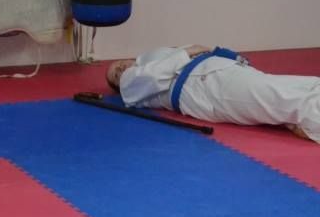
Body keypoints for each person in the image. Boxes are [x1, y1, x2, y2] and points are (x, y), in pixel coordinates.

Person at [106, 44, 320, 143]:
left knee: (280, 87)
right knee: (274, 97)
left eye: (120, 65)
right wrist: (185, 53)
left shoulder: (151, 57)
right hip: (203, 88)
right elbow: (152, 77)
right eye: (115, 74)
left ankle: (303, 121)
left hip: (217, 71)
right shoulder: (130, 84)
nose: (121, 69)